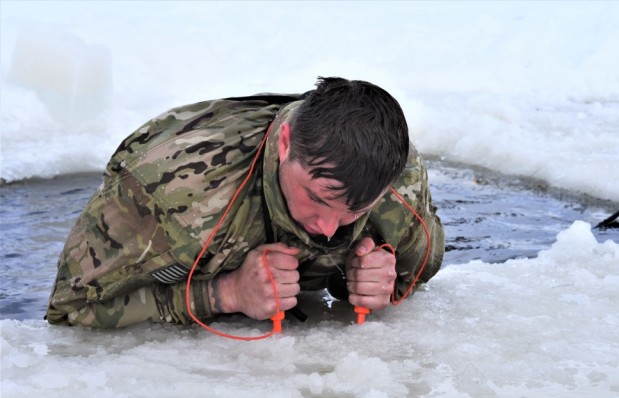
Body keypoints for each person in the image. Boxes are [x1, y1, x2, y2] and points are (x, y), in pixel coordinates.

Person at [46, 77, 445, 328]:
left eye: (355, 211)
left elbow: (423, 260)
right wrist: (225, 294)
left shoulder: (396, 172)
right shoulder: (171, 191)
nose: (328, 228)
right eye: (317, 198)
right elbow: (71, 307)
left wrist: (376, 278)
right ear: (286, 144)